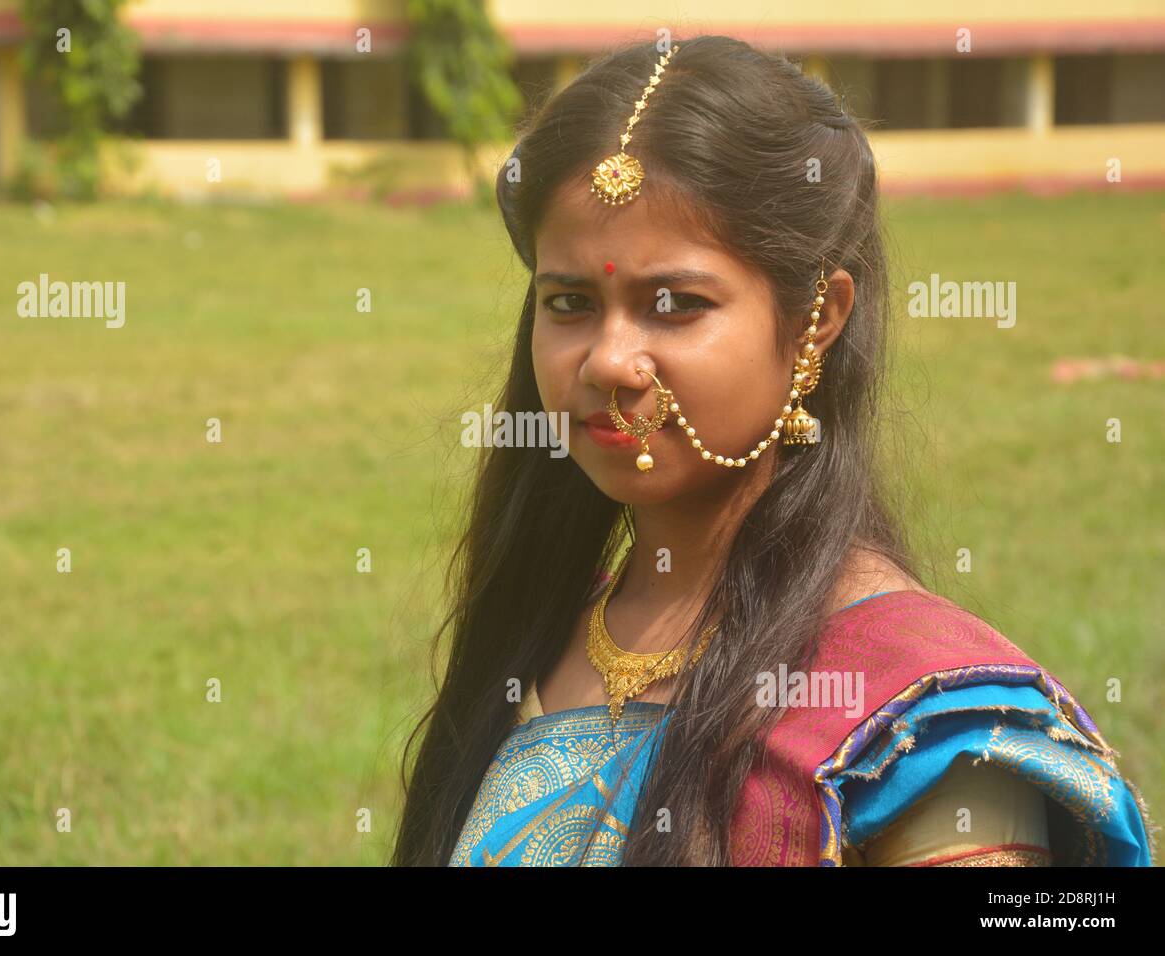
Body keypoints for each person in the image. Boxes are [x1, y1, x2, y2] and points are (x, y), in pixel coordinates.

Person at [390, 35, 1156, 867]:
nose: (608, 360)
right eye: (570, 302)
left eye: (674, 303)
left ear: (816, 318)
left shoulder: (918, 731)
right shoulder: (538, 638)